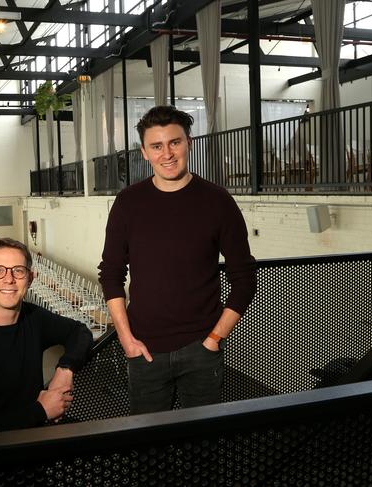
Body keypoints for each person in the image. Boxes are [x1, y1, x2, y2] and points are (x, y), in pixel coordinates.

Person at [98, 105, 257, 414]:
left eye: (175, 142)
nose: (167, 153)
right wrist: (126, 339)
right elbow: (111, 273)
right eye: (156, 146)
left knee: (203, 448)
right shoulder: (128, 202)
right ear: (144, 152)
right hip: (144, 350)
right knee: (149, 450)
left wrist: (213, 339)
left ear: (189, 143)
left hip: (201, 350)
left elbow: (244, 277)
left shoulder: (217, 200)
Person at [0, 237, 93, 436]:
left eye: (18, 271)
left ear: (30, 278)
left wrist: (65, 370)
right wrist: (39, 411)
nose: (9, 279)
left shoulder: (33, 318)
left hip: (33, 441)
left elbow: (80, 332)